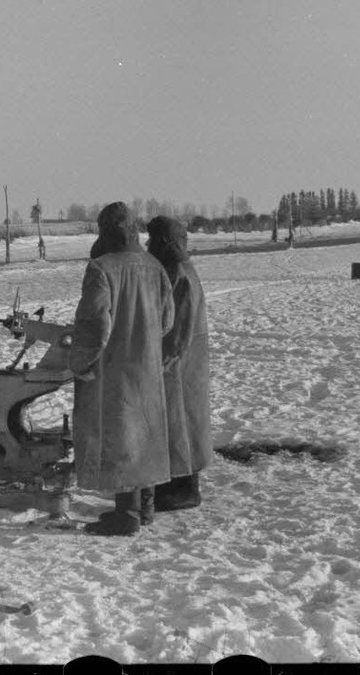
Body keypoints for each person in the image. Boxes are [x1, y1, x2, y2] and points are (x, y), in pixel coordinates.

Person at [70, 203, 174, 536]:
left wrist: (82, 363)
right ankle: (143, 508)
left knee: (120, 436)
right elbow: (168, 318)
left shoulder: (102, 268)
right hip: (147, 364)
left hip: (114, 367)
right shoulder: (153, 265)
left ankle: (125, 515)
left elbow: (94, 325)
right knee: (143, 435)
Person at [146, 216, 212, 512]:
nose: (148, 245)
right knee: (178, 424)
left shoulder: (177, 273)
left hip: (178, 362)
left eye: (152, 240)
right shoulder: (178, 269)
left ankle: (184, 490)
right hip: (183, 361)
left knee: (180, 424)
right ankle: (170, 483)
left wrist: (160, 361)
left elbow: (177, 327)